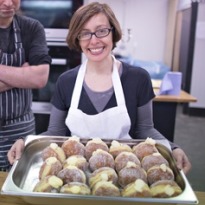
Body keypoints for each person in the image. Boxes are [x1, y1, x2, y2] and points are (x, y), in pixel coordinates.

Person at [8, 2, 191, 174]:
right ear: (77, 39)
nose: (93, 41)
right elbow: (55, 133)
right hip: (75, 173)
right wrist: (26, 142)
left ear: (113, 33)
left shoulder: (138, 78)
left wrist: (173, 148)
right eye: (85, 33)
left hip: (125, 171)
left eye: (101, 31)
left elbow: (145, 130)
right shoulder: (66, 81)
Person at [0, 0, 51, 171]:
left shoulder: (32, 28)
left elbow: (40, 78)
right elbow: (30, 77)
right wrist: (21, 75)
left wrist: (30, 76)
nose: (8, 3)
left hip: (20, 132)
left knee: (18, 188)